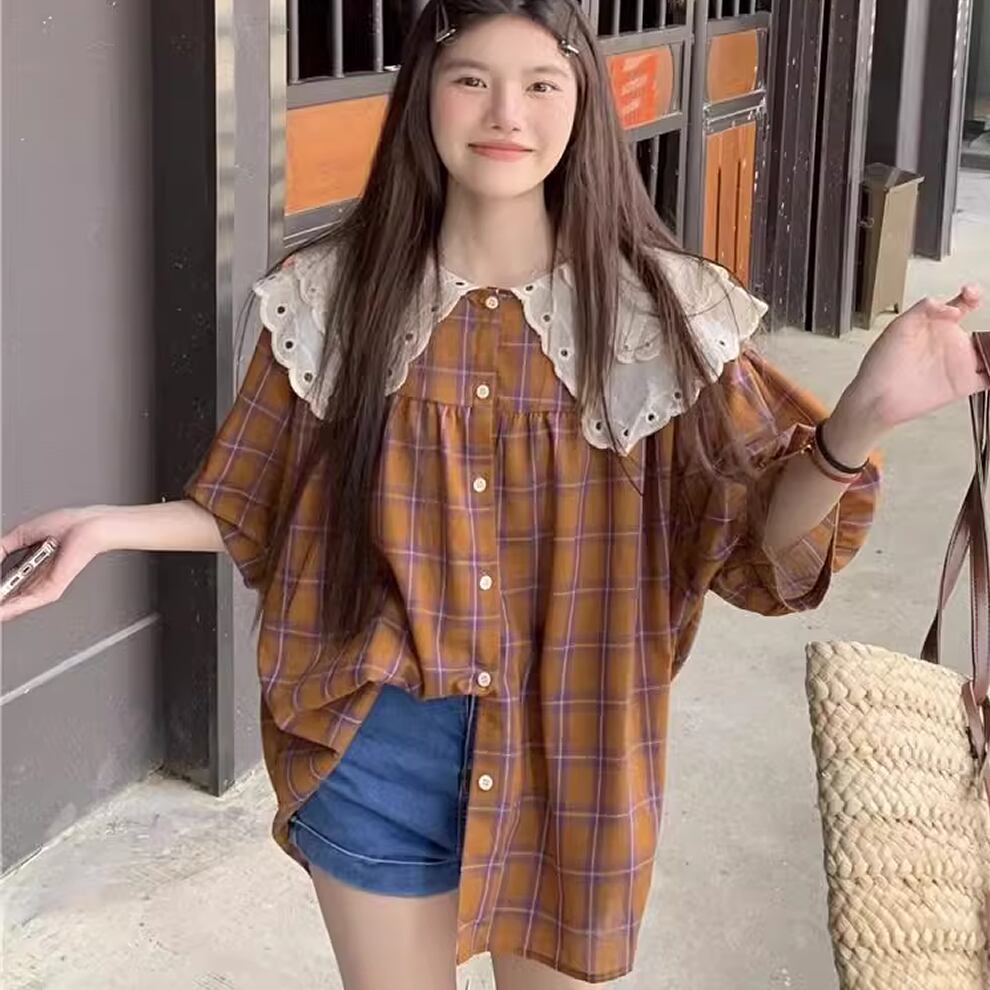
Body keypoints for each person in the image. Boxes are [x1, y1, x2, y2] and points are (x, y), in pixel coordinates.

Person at [1, 2, 985, 987]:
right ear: (424, 94)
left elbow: (756, 539)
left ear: (583, 102)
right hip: (374, 746)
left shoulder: (662, 313)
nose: (505, 112)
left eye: (540, 83)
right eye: (472, 78)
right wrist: (105, 528)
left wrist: (860, 419)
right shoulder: (330, 295)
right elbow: (254, 495)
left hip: (576, 746)